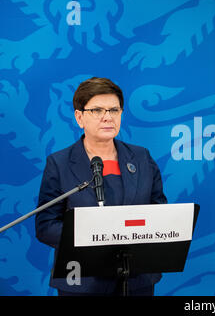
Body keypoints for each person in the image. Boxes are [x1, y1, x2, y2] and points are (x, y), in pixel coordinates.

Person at [35, 77, 167, 296]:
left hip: (137, 279)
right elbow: (46, 225)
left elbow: (159, 213)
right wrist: (95, 238)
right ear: (79, 117)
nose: (108, 117)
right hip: (82, 280)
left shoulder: (142, 158)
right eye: (97, 110)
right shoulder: (59, 164)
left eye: (114, 110)